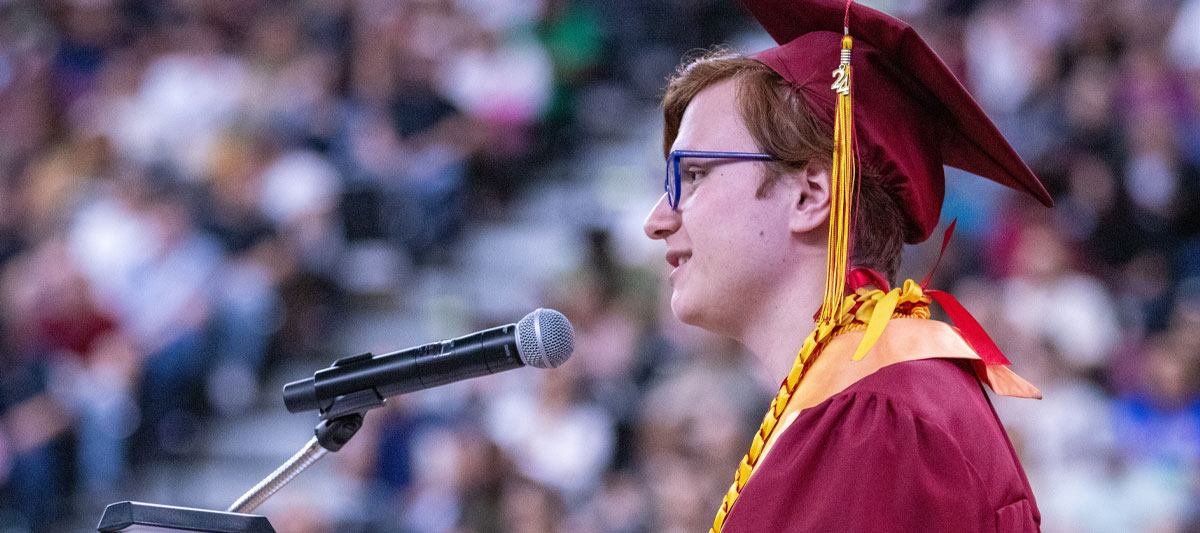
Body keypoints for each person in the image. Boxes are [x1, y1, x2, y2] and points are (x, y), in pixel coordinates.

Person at [642, 0, 1050, 531]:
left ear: (811, 194)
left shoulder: (883, 420)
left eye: (692, 175)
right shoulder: (854, 401)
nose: (656, 220)